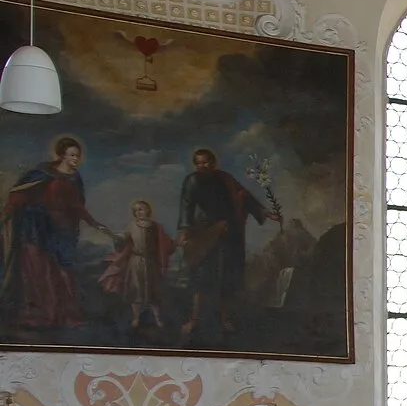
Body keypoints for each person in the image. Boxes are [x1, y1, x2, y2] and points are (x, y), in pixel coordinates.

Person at [2, 135, 111, 330]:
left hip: (62, 230)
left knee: (62, 271)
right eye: (72, 155)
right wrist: (4, 216)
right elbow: (18, 195)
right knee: (36, 269)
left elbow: (77, 206)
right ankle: (39, 314)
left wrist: (95, 224)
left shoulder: (74, 178)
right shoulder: (42, 173)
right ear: (61, 155)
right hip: (35, 227)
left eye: (78, 156)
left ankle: (63, 314)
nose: (76, 159)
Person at [178, 147, 280, 343]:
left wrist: (266, 213)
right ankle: (194, 319)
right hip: (204, 233)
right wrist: (184, 229)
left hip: (229, 234)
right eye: (198, 163)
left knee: (227, 277)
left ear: (213, 162)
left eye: (205, 162)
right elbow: (186, 205)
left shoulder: (225, 179)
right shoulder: (192, 181)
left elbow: (245, 197)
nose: (202, 166)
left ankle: (224, 320)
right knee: (201, 277)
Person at [99, 198, 176, 330]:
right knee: (136, 290)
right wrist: (110, 234)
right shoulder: (131, 226)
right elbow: (122, 240)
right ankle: (136, 318)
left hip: (151, 262)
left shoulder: (155, 227)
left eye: (140, 209)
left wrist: (177, 243)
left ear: (147, 210)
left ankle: (158, 318)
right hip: (135, 262)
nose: (138, 212)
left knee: (153, 291)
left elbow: (165, 243)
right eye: (135, 210)